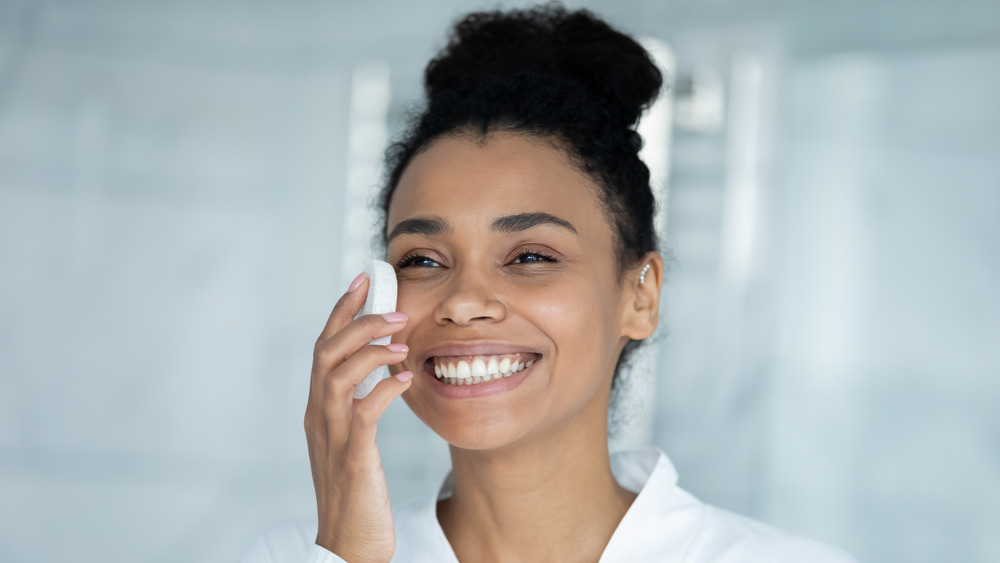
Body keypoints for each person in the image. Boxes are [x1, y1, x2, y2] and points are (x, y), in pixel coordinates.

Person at [243, 5, 855, 562]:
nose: (463, 302)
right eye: (424, 260)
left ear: (639, 296)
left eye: (531, 255)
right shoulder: (300, 555)